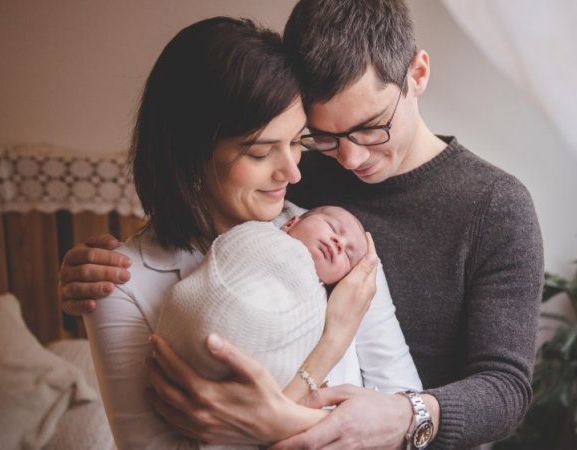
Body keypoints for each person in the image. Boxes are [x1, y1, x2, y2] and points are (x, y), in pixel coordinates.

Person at [60, 1, 545, 448]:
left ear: (417, 73)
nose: (349, 158)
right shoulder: (301, 192)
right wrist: (92, 270)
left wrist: (388, 414)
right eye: (324, 137)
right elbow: (201, 217)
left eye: (371, 126)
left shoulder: (494, 206)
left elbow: (503, 388)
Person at [75, 16, 420, 450]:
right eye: (260, 151)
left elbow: (405, 420)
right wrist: (331, 343)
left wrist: (276, 421)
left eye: (298, 141)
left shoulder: (335, 241)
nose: (292, 171)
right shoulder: (121, 286)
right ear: (191, 154)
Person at [157, 206, 371, 392]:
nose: (339, 242)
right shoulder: (258, 235)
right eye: (332, 227)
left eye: (348, 255)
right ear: (290, 223)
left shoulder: (323, 307)